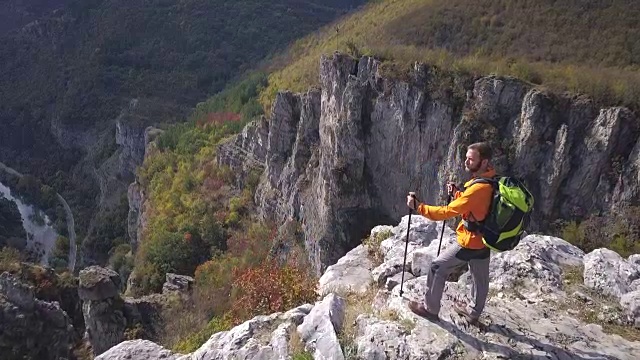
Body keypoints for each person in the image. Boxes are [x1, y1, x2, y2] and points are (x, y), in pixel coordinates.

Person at [405, 142, 495, 324]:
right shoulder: (491, 180)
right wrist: (457, 194)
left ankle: (430, 310)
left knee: (438, 266)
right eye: (466, 158)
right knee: (480, 278)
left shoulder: (478, 188)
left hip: (470, 241)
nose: (466, 162)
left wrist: (418, 207)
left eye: (471, 159)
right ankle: (474, 313)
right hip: (485, 239)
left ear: (484, 162)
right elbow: (475, 207)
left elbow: (446, 212)